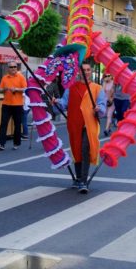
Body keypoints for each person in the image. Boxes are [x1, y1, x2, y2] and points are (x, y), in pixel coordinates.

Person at [53, 62, 106, 194]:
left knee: (85, 149)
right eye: (83, 70)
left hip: (89, 124)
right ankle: (78, 178)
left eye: (88, 70)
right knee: (76, 150)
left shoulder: (97, 88)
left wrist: (99, 109)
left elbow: (102, 106)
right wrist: (56, 102)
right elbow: (64, 103)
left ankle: (83, 181)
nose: (86, 72)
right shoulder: (71, 87)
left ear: (91, 71)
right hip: (74, 124)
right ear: (79, 72)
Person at [0, 61, 27, 151]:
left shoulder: (21, 77)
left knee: (17, 125)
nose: (13, 68)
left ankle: (16, 143)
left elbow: (25, 89)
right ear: (8, 68)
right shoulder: (4, 78)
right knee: (3, 124)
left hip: (18, 105)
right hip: (6, 104)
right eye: (11, 67)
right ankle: (1, 143)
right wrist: (4, 89)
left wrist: (16, 89)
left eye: (15, 67)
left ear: (17, 68)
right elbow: (0, 90)